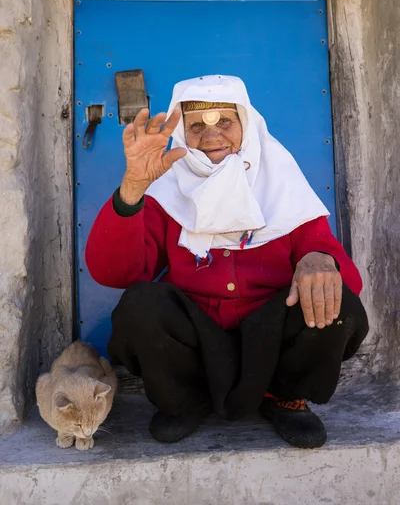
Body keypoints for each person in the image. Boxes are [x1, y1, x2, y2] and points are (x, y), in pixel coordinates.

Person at [86, 75, 368, 449]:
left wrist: (319, 259)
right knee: (140, 305)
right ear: (183, 134)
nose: (212, 134)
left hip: (271, 334)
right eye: (197, 125)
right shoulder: (167, 188)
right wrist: (133, 188)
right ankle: (185, 400)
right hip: (197, 341)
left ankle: (286, 396)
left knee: (338, 300)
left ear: (245, 124)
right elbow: (115, 273)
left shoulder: (279, 180)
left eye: (225, 122)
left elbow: (340, 271)